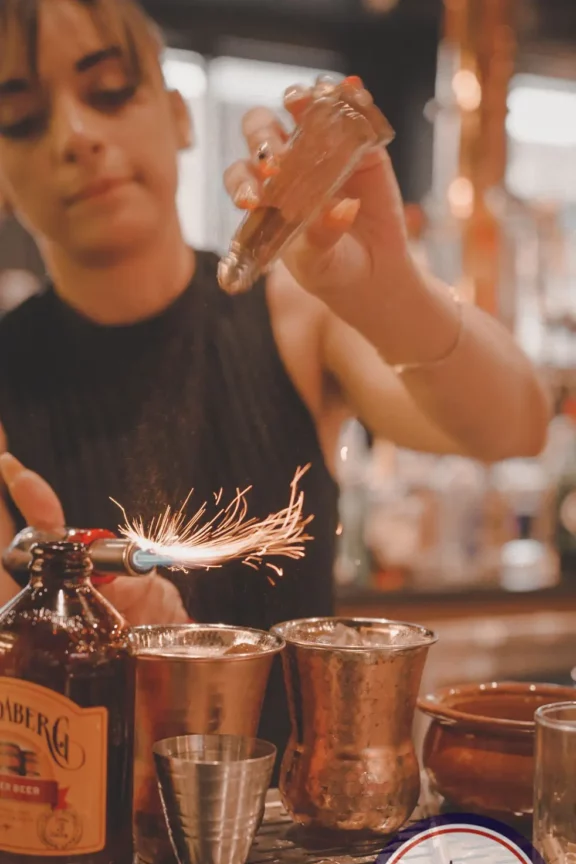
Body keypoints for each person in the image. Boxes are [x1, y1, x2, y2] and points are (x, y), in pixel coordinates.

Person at [0, 0, 549, 767]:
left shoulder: (292, 315)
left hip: (304, 843)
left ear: (181, 115)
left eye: (111, 89)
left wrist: (387, 288)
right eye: (22, 118)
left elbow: (516, 425)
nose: (76, 136)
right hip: (79, 853)